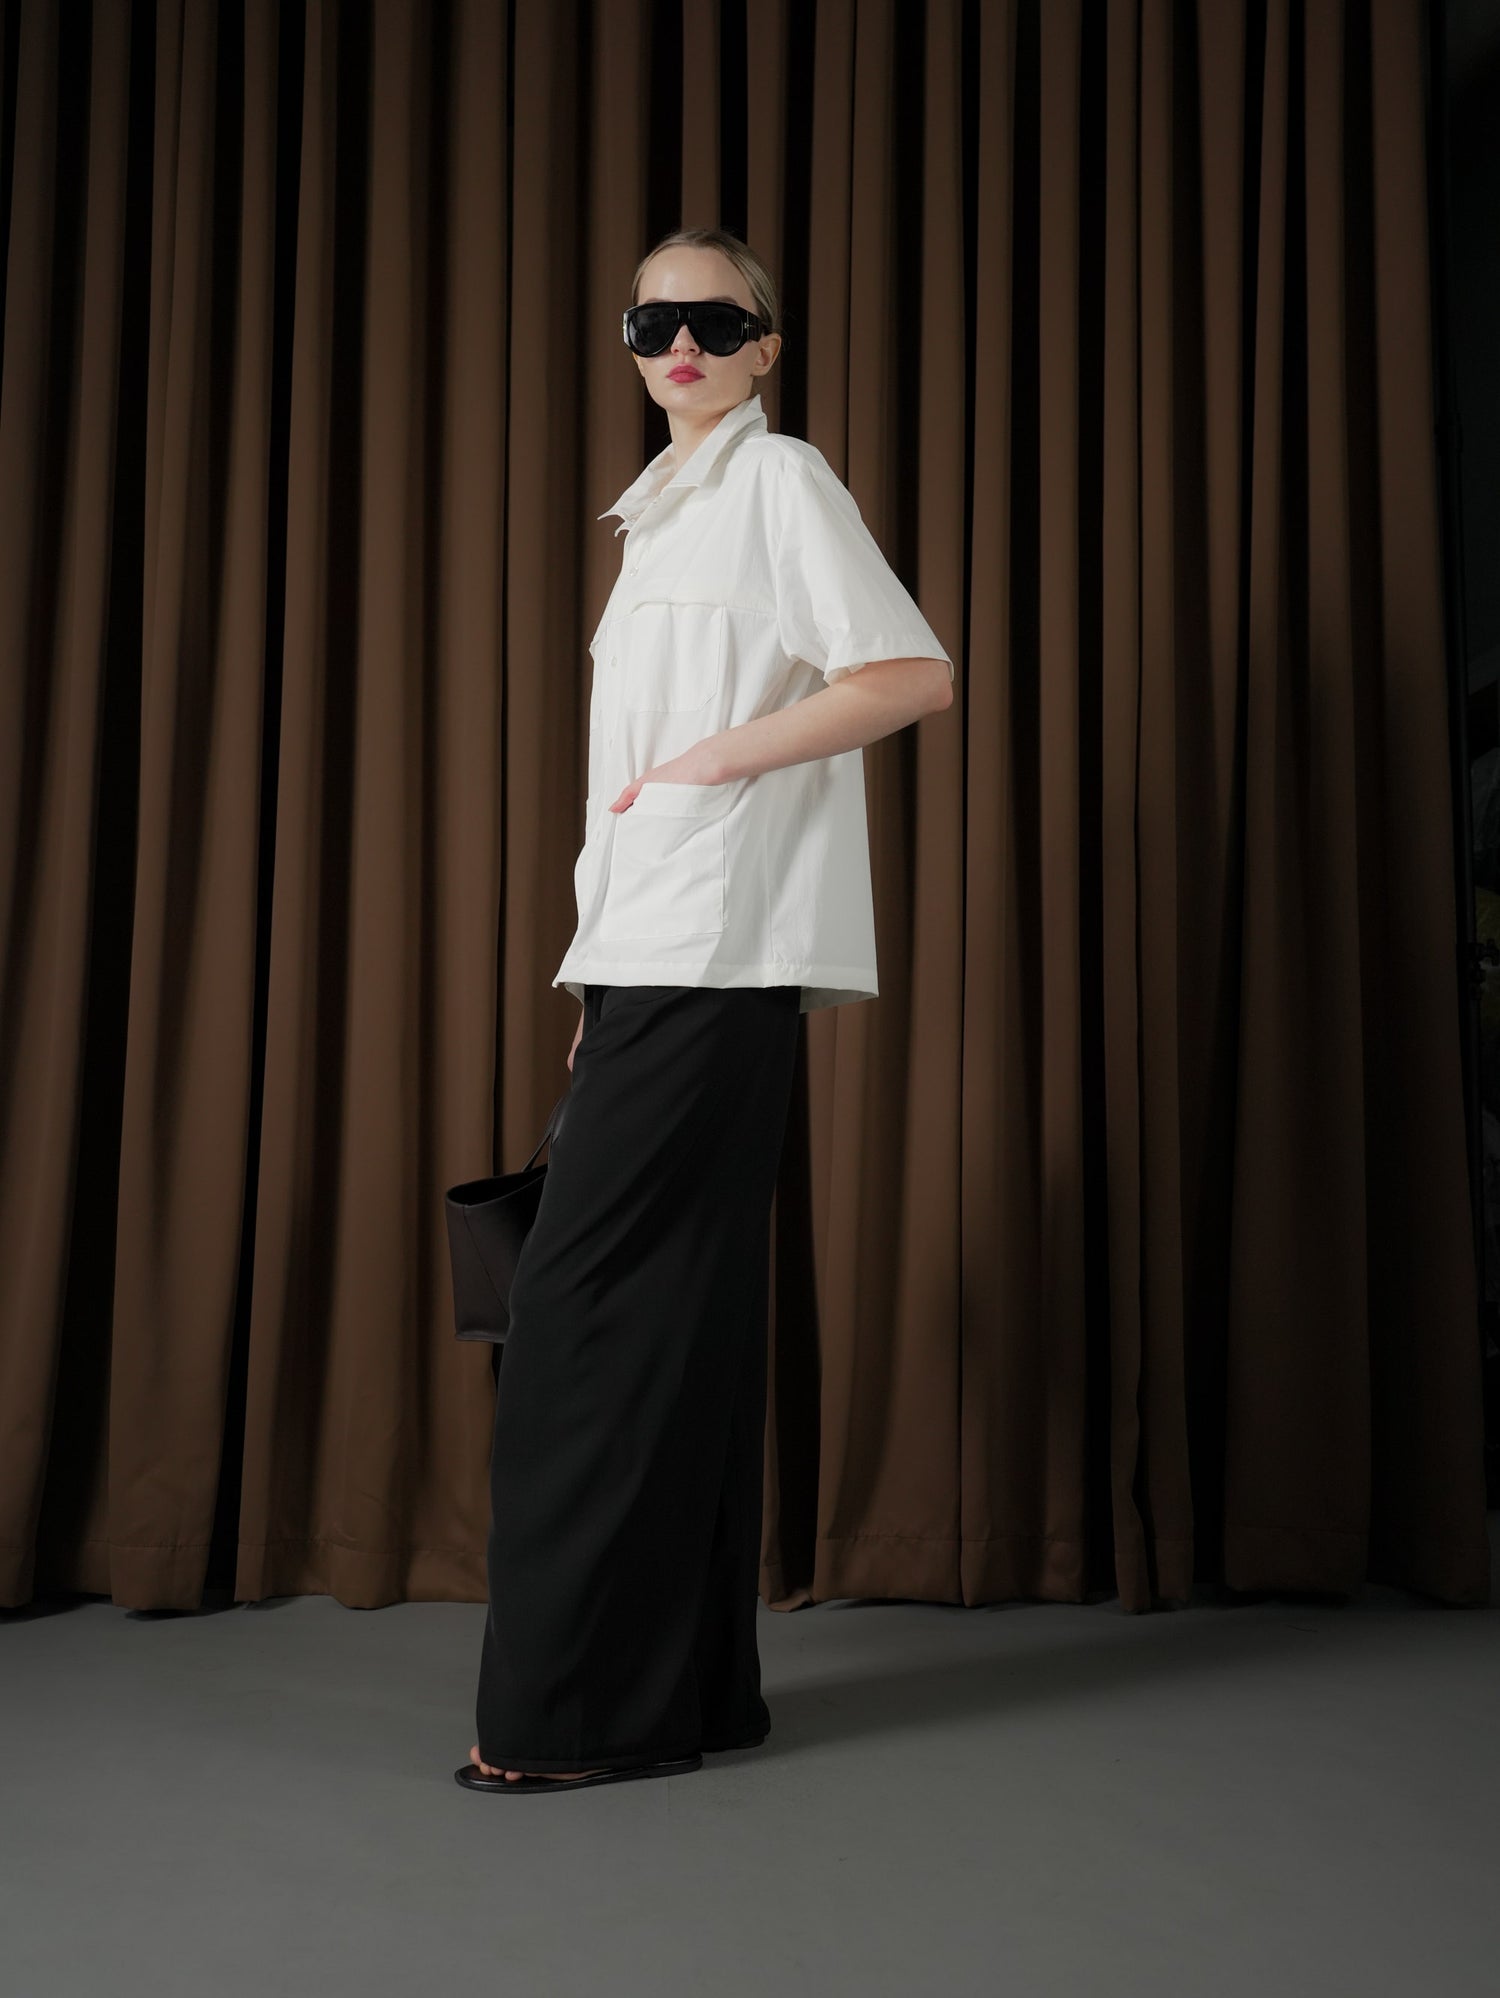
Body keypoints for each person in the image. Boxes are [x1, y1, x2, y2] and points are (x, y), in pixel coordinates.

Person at [458, 226, 954, 1795]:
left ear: (764, 347)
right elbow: (623, 793)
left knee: (578, 1316)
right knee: (680, 1313)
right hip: (654, 953)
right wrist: (593, 982)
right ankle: (693, 1694)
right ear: (628, 342)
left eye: (717, 321)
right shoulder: (654, 517)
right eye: (655, 320)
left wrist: (717, 761)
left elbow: (909, 672)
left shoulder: (780, 482)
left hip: (720, 943)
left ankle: (567, 1716)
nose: (683, 341)